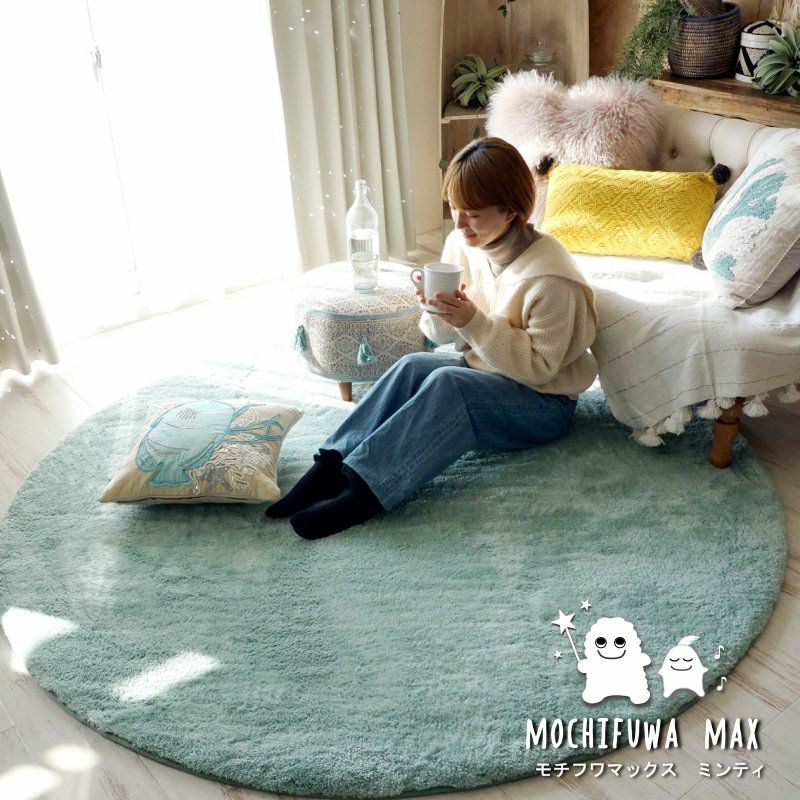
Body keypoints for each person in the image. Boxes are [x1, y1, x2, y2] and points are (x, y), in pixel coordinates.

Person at [266, 136, 598, 539]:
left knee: (448, 384)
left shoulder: (551, 279)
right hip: (489, 370)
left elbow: (540, 369)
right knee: (412, 366)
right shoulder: (463, 244)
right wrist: (438, 310)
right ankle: (331, 466)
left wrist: (473, 322)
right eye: (454, 208)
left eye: (472, 214)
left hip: (544, 403)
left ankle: (367, 491)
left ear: (511, 211)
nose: (458, 224)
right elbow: (441, 337)